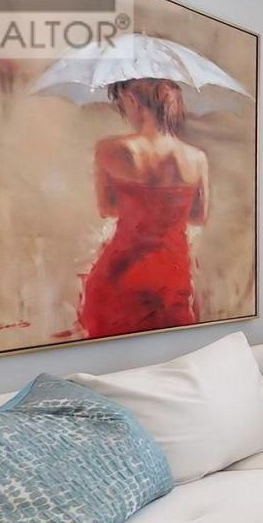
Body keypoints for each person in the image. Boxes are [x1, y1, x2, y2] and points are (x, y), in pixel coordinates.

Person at [78, 77, 209, 338]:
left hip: (121, 270)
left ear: (132, 100)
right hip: (172, 275)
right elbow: (198, 215)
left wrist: (138, 206)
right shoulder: (197, 158)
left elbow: (106, 208)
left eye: (122, 102)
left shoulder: (110, 149)